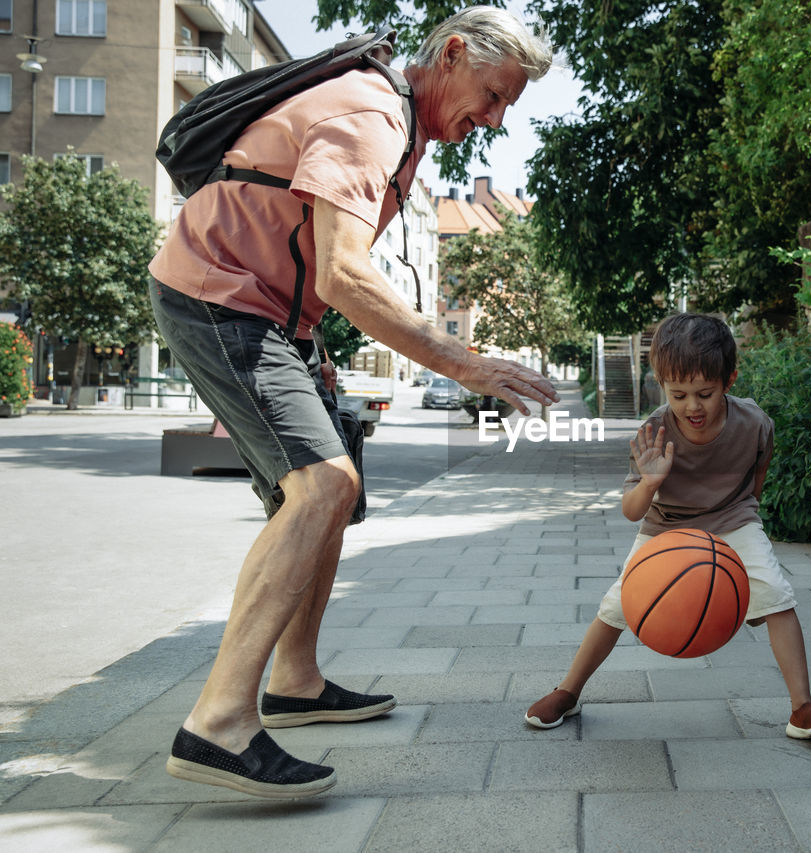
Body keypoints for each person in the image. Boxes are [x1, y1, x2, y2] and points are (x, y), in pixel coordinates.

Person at [149, 7, 557, 798]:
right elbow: (344, 272)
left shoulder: (400, 126)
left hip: (271, 314)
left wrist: (311, 345)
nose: (494, 118)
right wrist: (464, 363)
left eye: (508, 106)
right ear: (450, 54)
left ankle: (294, 682)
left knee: (335, 490)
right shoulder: (371, 116)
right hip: (219, 295)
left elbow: (310, 257)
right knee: (321, 484)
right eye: (492, 93)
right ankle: (218, 723)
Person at [524, 313, 811, 740]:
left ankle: (802, 707)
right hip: (665, 527)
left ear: (729, 380)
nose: (692, 406)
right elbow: (631, 510)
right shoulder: (654, 431)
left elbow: (757, 476)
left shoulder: (754, 422)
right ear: (661, 383)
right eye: (678, 394)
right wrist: (652, 482)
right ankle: (568, 691)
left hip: (732, 517)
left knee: (776, 592)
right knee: (617, 605)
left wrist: (744, 520)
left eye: (705, 393)